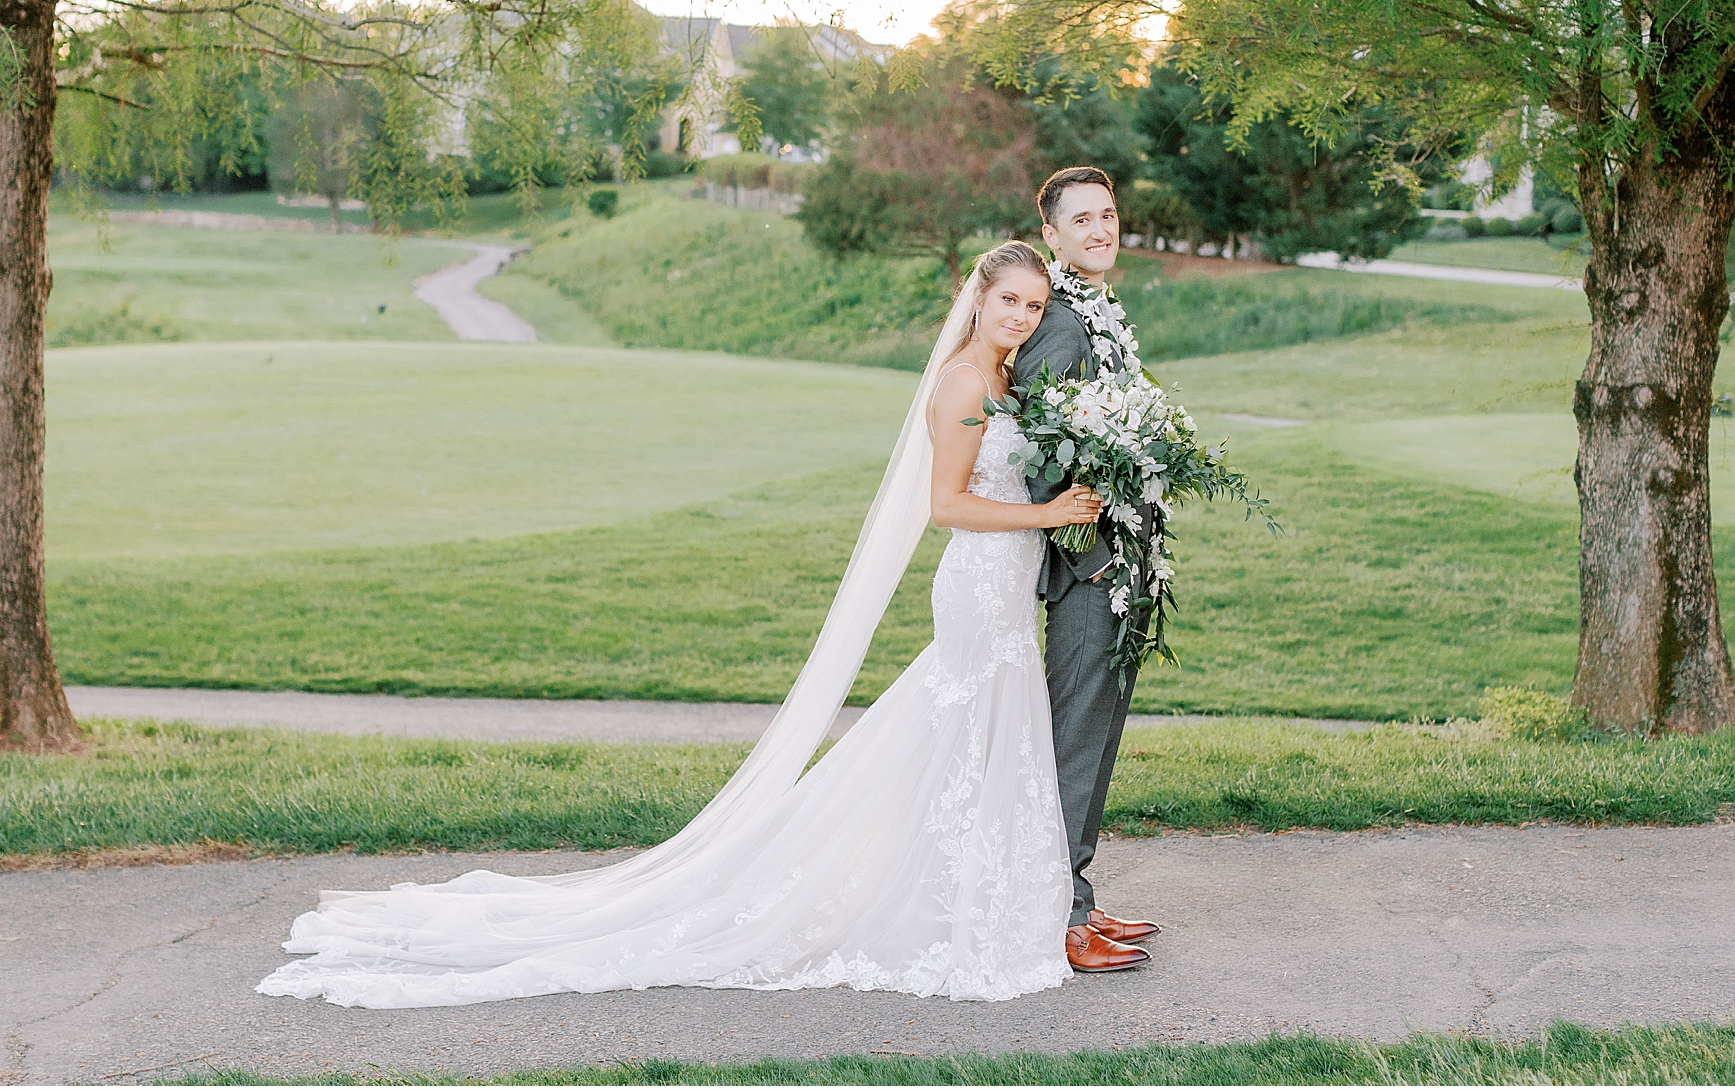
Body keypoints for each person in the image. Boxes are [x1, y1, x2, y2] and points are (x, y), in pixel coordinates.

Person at [257, 240, 1108, 1007]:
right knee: (959, 727)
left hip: (1004, 585)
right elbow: (947, 504)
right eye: (1011, 302)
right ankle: (939, 898)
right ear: (979, 297)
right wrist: (1050, 514)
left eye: (1034, 306)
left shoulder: (1005, 377)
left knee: (976, 733)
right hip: (976, 583)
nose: (1023, 317)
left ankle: (969, 893)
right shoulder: (965, 378)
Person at [1012, 166, 1164, 973]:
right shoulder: (1062, 324)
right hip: (1085, 573)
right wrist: (1097, 559)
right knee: (1073, 738)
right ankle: (1059, 917)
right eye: (1084, 219)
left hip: (1123, 564)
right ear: (1053, 236)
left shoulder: (1101, 313)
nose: (1102, 228)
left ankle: (1078, 896)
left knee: (1098, 736)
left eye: (1108, 214)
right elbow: (1041, 459)